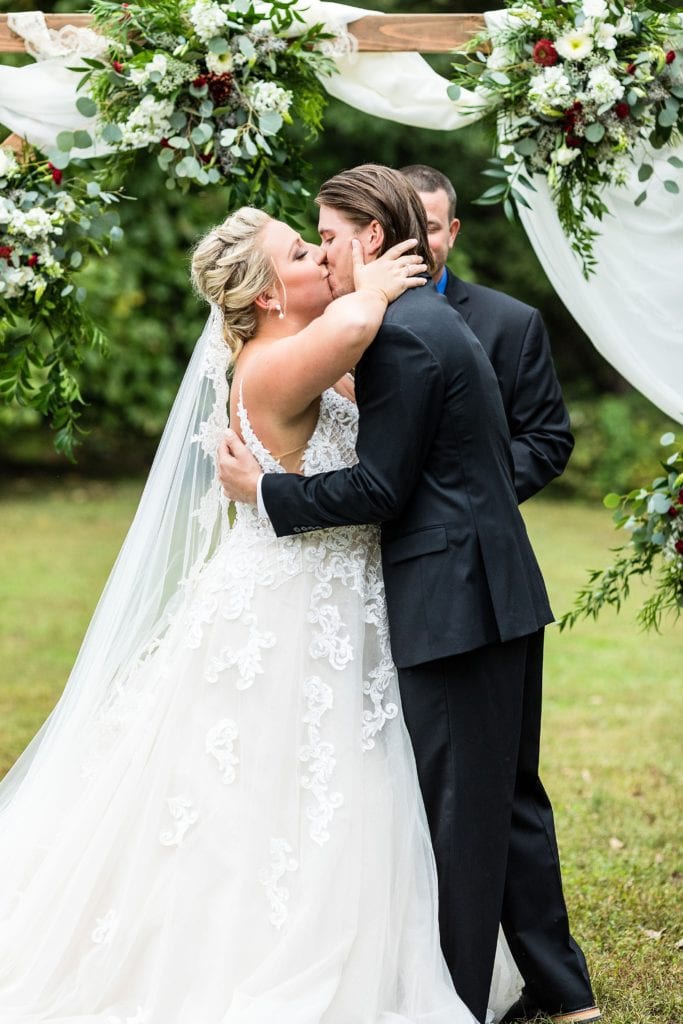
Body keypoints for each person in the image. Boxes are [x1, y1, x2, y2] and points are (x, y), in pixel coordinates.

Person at [0, 208, 493, 1022]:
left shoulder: (304, 357)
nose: (320, 255)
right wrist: (371, 277)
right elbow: (363, 317)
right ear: (266, 296)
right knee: (277, 785)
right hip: (291, 604)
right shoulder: (272, 367)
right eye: (302, 251)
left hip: (336, 590)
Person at [217, 165, 600, 1024]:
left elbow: (380, 489)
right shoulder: (406, 326)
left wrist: (265, 496)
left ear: (370, 240)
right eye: (306, 242)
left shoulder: (400, 335)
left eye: (326, 235)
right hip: (463, 595)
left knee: (466, 816)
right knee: (478, 803)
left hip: (455, 600)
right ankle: (517, 990)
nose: (320, 250)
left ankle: (454, 1001)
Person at [400, 164, 573, 504]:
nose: (417, 240)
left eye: (430, 227)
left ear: (452, 232)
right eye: (404, 226)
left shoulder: (512, 324)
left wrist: (466, 496)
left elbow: (546, 439)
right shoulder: (346, 312)